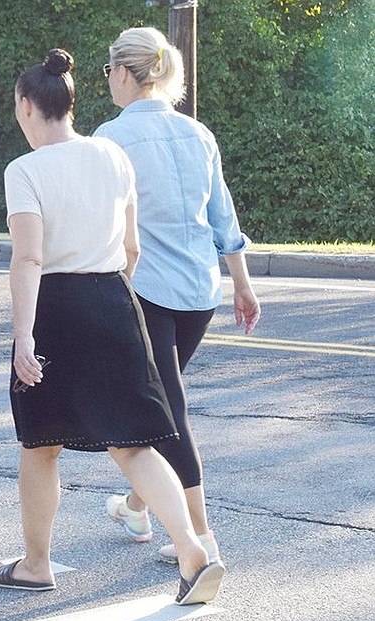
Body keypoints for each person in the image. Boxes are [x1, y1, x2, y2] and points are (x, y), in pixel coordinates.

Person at [0, 49, 223, 605]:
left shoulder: (24, 171)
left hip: (55, 309)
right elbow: (132, 248)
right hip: (115, 298)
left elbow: (27, 261)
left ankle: (36, 564)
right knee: (136, 444)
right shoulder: (112, 155)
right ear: (70, 103)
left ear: (27, 107)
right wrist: (115, 297)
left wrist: (24, 336)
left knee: (41, 445)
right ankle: (194, 552)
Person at [95, 27, 261, 563]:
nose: (110, 82)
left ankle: (201, 538)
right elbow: (222, 215)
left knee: (167, 414)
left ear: (124, 73)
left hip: (144, 292)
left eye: (109, 72)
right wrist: (242, 282)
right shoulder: (198, 134)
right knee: (160, 403)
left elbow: (100, 224)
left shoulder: (110, 139)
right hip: (199, 293)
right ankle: (137, 506)